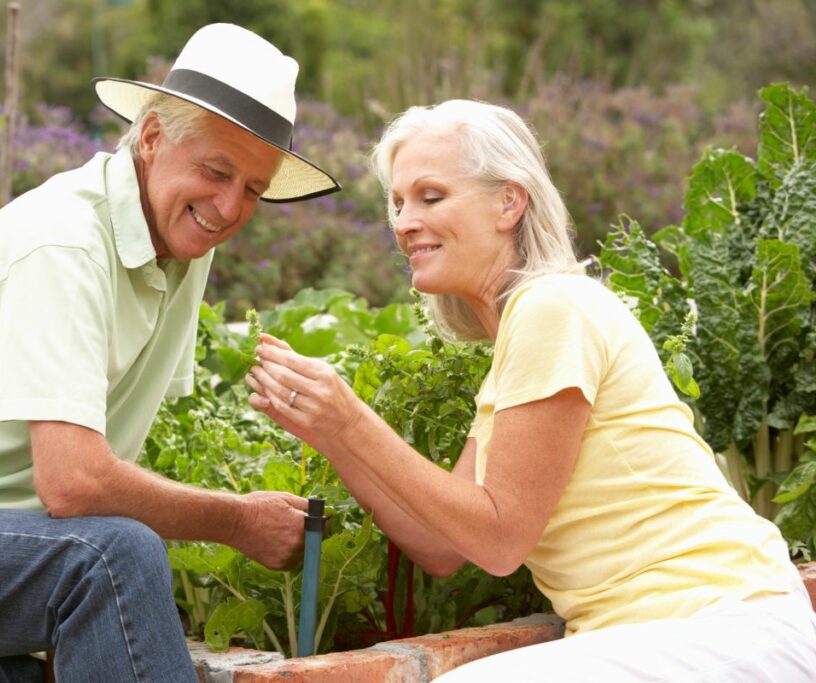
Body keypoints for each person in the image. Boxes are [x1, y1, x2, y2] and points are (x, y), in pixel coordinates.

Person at [0, 23, 339, 682]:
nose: (228, 207)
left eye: (253, 188)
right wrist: (236, 520)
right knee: (113, 559)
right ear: (153, 136)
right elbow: (75, 481)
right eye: (216, 172)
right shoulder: (65, 243)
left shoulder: (181, 243)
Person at [246, 99, 816, 681]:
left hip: (727, 625)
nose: (404, 221)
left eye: (430, 196)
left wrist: (351, 419)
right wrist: (333, 434)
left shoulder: (553, 307)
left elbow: (499, 539)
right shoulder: (523, 338)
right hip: (667, 636)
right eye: (396, 203)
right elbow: (443, 546)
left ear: (509, 202)